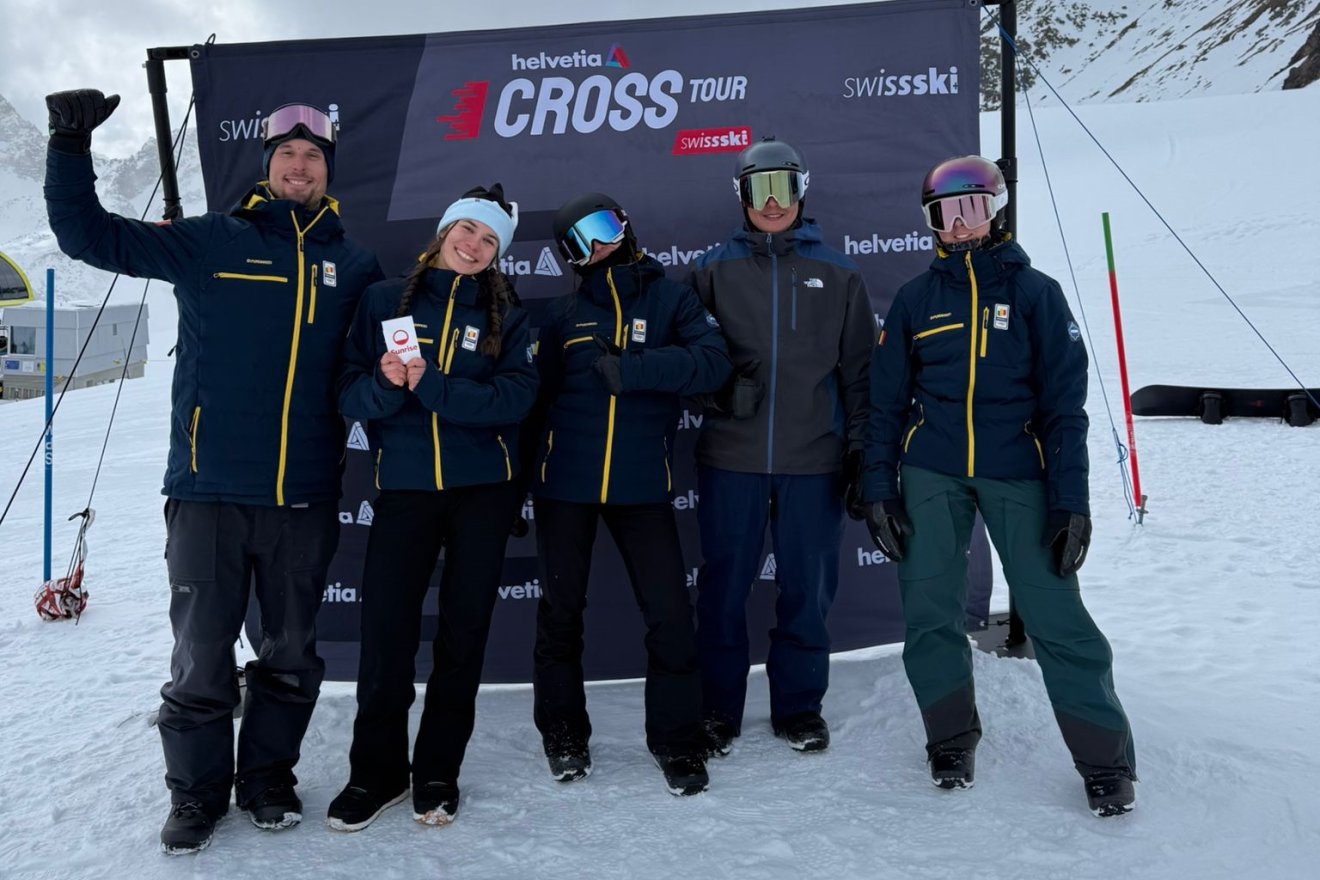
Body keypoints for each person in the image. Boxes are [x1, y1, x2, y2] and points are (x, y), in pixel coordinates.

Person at [44, 90, 385, 853]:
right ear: (267, 166)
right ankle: (196, 796)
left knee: (290, 650)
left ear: (329, 173)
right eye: (287, 155)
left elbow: (375, 363)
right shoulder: (211, 241)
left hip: (303, 495)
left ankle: (267, 780)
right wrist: (69, 146)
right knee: (202, 656)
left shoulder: (355, 264)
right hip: (206, 492)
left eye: (313, 157)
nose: (300, 166)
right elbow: (87, 235)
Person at [860, 155, 1137, 817]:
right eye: (946, 214)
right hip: (932, 469)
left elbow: (1065, 408)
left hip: (1020, 469)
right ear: (931, 224)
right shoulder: (915, 301)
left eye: (973, 208)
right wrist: (879, 486)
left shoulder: (1036, 294)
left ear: (995, 210)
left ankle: (1105, 762)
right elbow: (885, 404)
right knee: (930, 610)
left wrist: (1071, 501)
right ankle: (950, 737)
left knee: (1055, 615)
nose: (960, 224)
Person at [326, 185, 536, 831]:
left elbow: (513, 402)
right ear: (444, 230)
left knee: (462, 636)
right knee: (386, 634)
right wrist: (386, 386)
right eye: (466, 230)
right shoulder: (384, 301)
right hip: (407, 492)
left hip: (483, 496)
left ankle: (438, 771)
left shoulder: (507, 314)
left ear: (497, 254)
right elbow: (348, 394)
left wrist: (435, 387)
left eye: (488, 240)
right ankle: (377, 773)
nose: (473, 246)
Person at [528, 192, 730, 796]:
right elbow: (534, 406)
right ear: (569, 258)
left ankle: (677, 740)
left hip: (643, 489)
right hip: (566, 488)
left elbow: (714, 363)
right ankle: (563, 732)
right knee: (560, 615)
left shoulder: (672, 300)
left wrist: (636, 370)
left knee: (669, 615)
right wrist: (514, 489)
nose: (598, 246)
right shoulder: (563, 316)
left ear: (626, 225)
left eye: (604, 228)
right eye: (579, 242)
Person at [684, 137, 877, 756]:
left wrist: (859, 452)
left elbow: (859, 375)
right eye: (759, 189)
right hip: (731, 461)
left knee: (807, 588)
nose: (773, 202)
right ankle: (717, 708)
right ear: (741, 195)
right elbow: (690, 363)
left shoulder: (840, 273)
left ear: (802, 189)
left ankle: (798, 707)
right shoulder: (712, 270)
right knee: (723, 589)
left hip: (813, 460)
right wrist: (716, 397)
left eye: (783, 187)